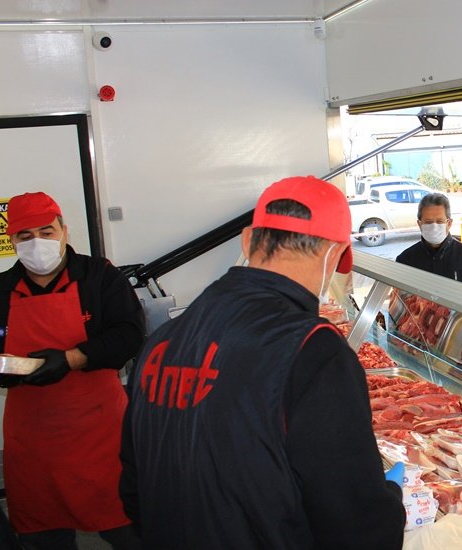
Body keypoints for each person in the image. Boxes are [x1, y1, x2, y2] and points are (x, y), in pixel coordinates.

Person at [119, 176, 405, 548]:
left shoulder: (162, 342)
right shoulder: (314, 350)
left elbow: (133, 491)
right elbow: (355, 528)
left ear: (248, 240)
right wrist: (392, 503)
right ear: (334, 255)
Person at [0, 192, 145, 549]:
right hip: (33, 442)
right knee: (43, 534)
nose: (37, 243)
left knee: (128, 529)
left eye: (46, 232)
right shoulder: (0, 290)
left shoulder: (100, 277)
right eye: (25, 236)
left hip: (100, 435)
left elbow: (129, 335)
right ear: (12, 240)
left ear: (64, 230)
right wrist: (9, 368)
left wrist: (70, 359)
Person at [395, 193, 462, 289]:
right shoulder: (405, 260)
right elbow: (399, 300)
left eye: (439, 221)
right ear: (419, 224)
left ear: (449, 223)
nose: (434, 227)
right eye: (428, 222)